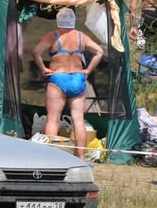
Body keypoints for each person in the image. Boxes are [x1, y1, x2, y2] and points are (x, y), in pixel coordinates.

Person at [31, 8, 104, 160]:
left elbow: (36, 51)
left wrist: (43, 68)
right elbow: (99, 52)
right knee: (78, 119)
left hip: (58, 78)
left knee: (53, 118)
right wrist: (88, 70)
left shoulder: (53, 36)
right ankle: (81, 156)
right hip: (77, 78)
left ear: (58, 20)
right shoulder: (81, 36)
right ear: (73, 20)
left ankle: (50, 155)